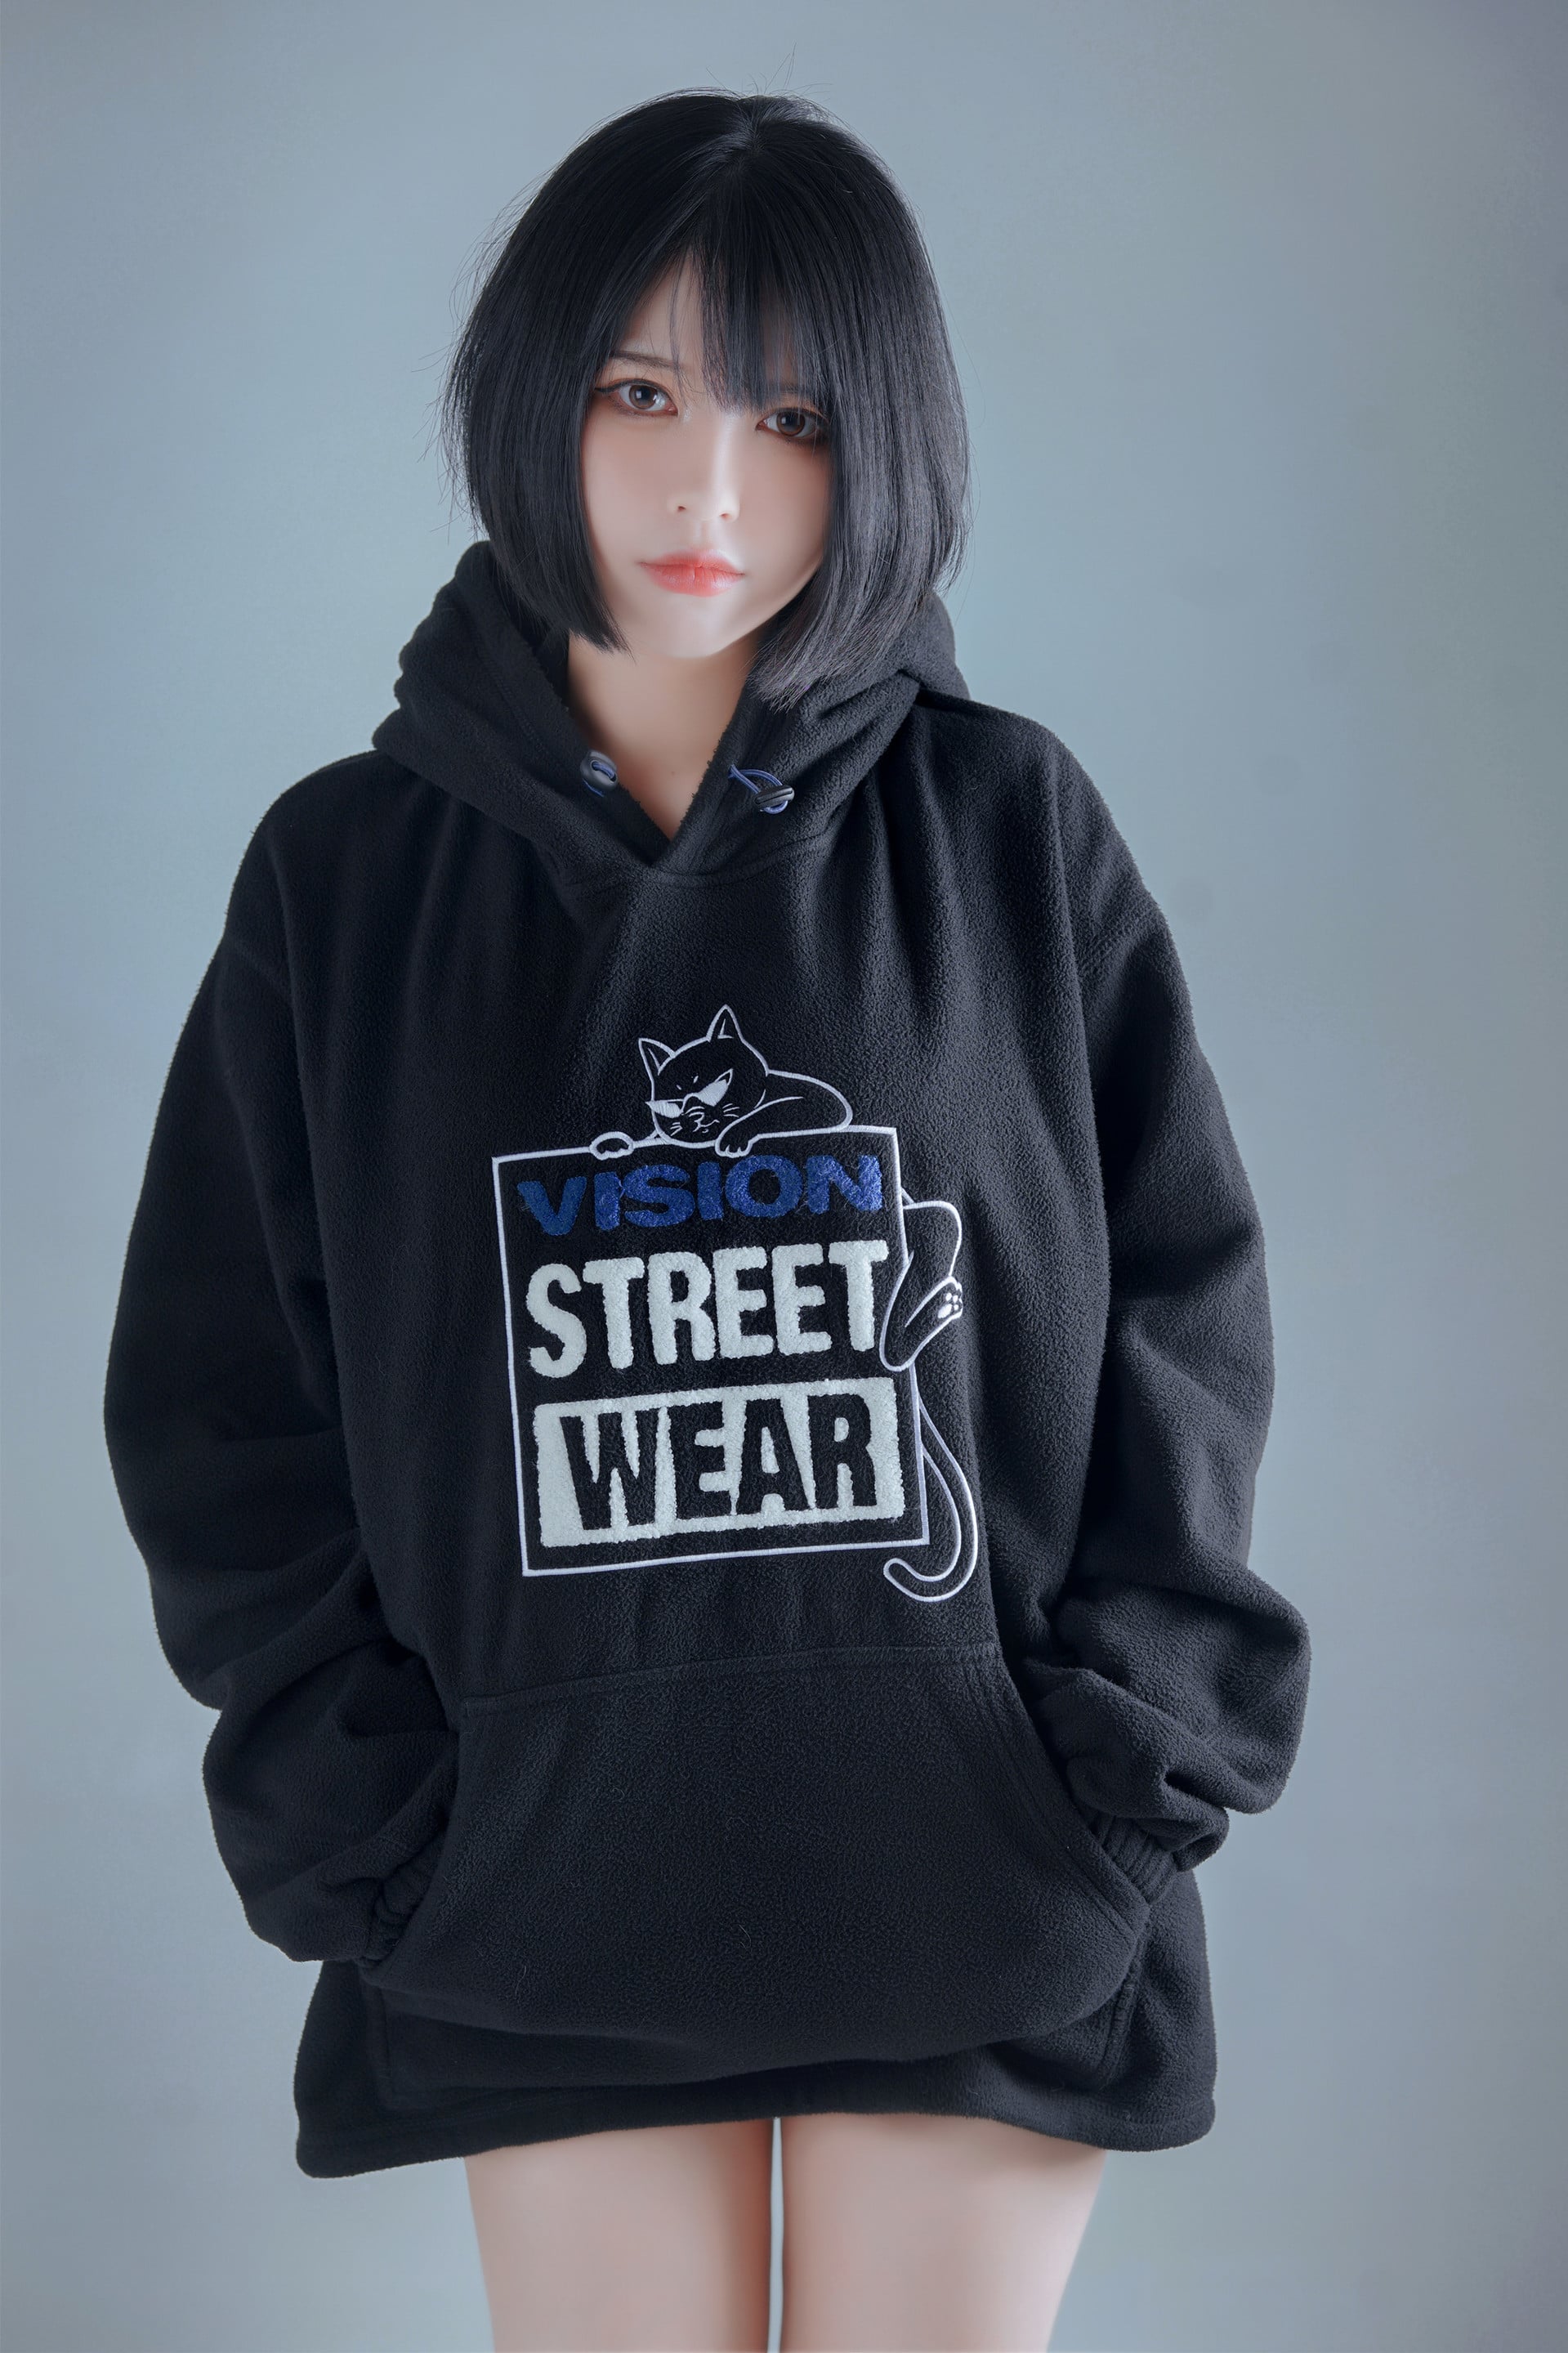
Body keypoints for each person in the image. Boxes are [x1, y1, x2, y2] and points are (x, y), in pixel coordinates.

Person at [102, 87, 1311, 2353]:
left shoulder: (1008, 829)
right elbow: (219, 1398)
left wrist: (1124, 1764)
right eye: (641, 393)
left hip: (983, 1886)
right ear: (532, 394)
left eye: (793, 414)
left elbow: (1187, 1311)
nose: (710, 491)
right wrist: (370, 1824)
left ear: (885, 443)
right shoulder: (345, 882)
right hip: (532, 1909)